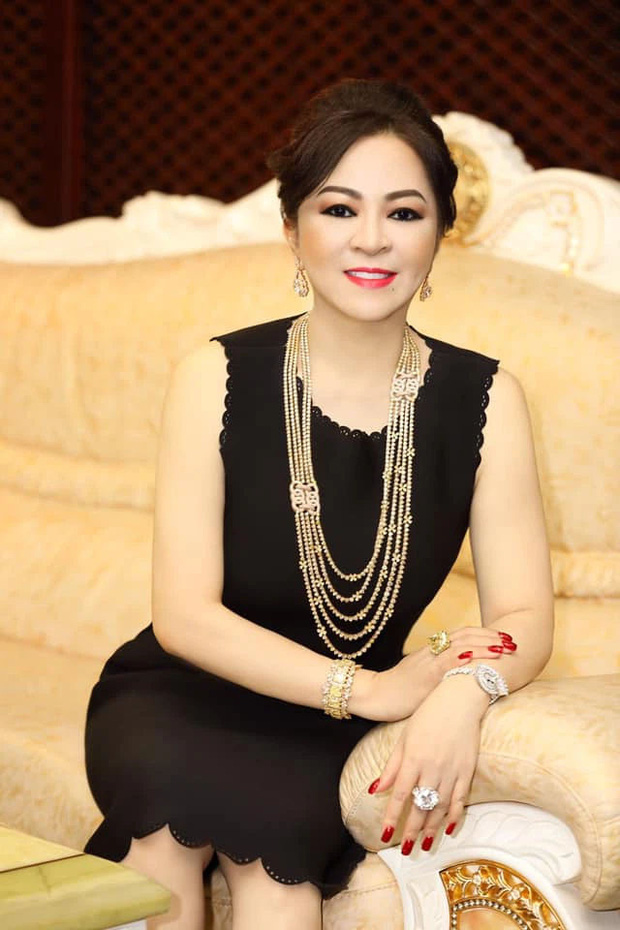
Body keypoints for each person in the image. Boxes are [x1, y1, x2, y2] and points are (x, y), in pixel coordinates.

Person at [83, 78, 554, 930]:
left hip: (322, 727)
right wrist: (367, 692)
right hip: (182, 692)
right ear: (291, 229)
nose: (372, 238)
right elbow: (184, 617)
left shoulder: (488, 399)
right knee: (161, 846)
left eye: (404, 212)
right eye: (339, 209)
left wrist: (462, 693)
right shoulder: (215, 376)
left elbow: (522, 615)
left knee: (278, 882)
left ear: (441, 233)